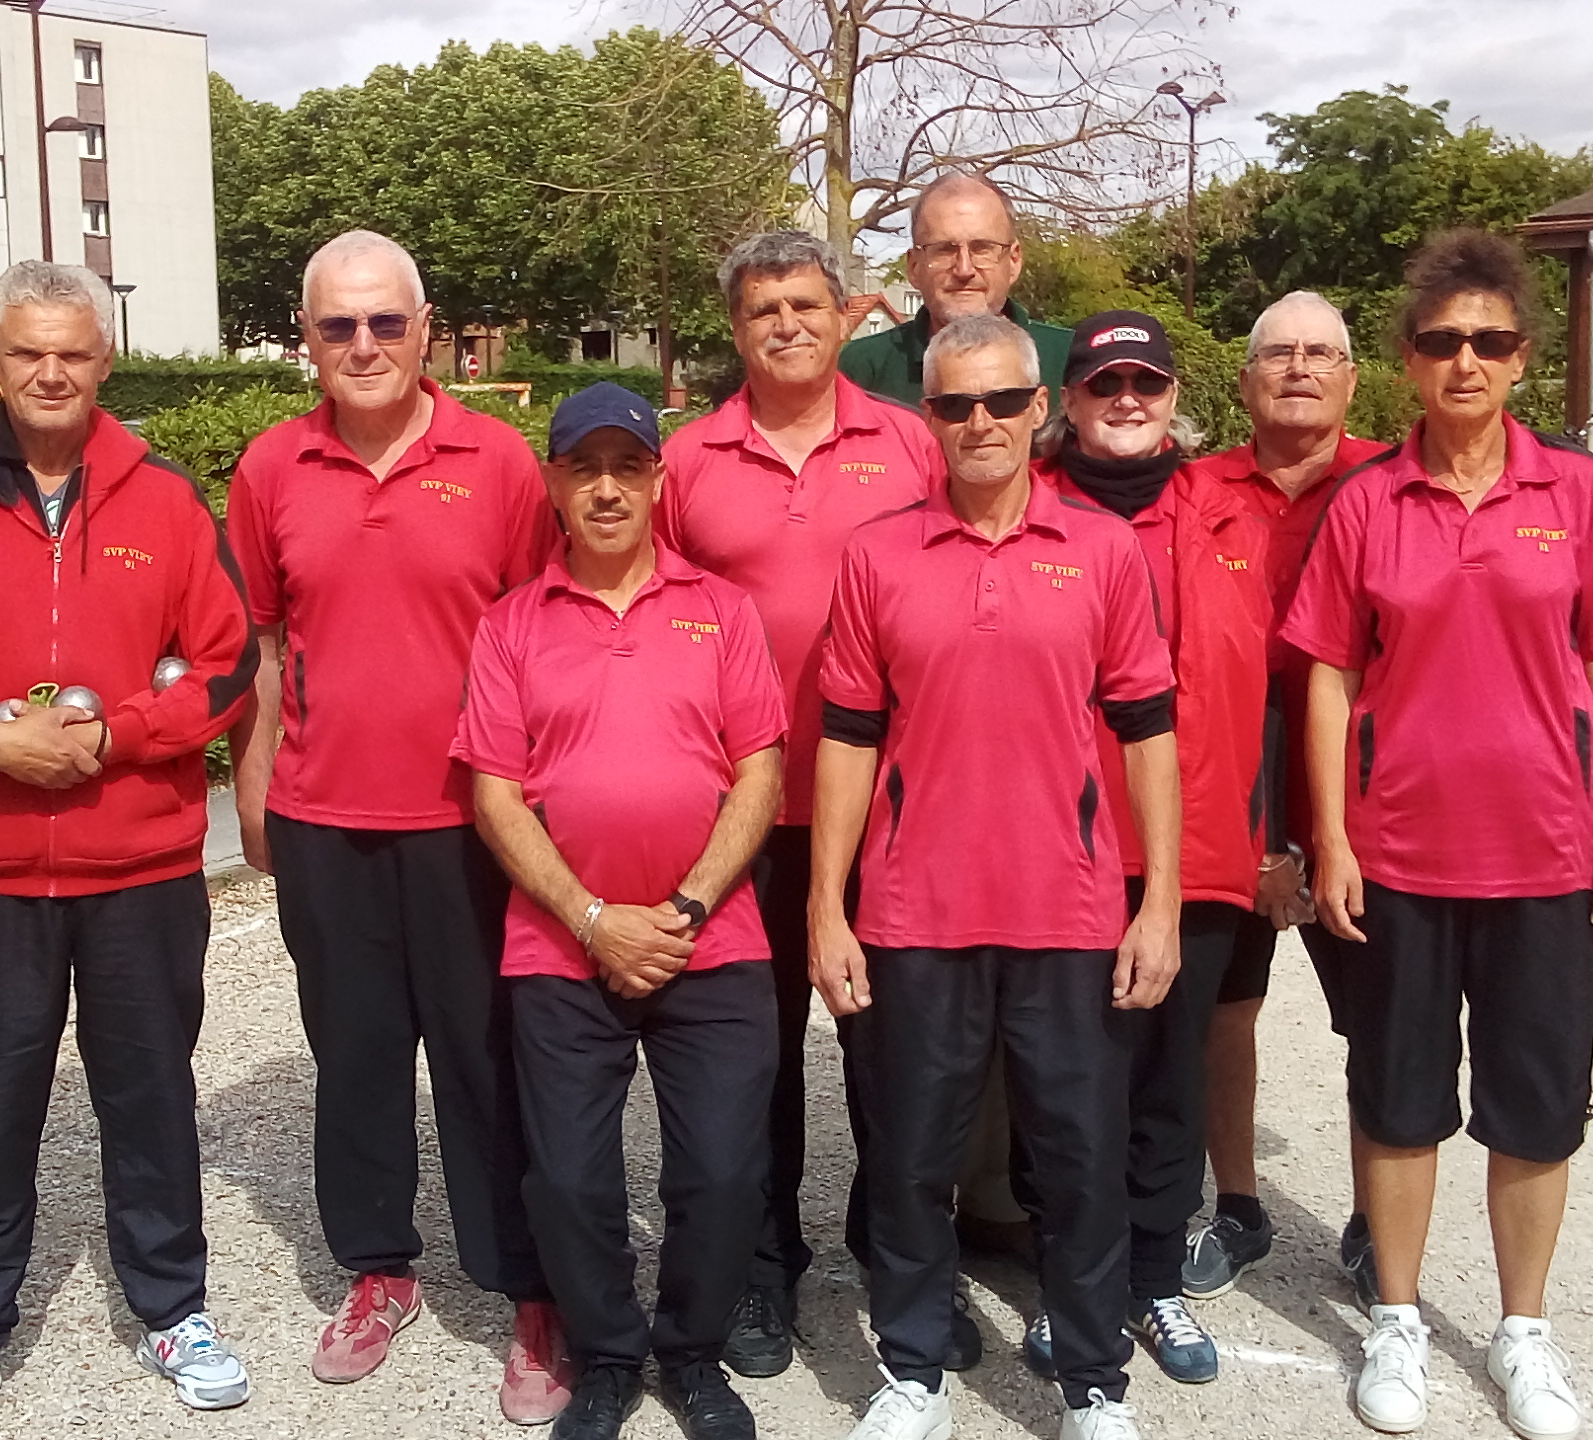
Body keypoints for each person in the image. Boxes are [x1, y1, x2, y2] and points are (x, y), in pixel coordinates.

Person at [0, 259, 259, 1439]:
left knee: (150, 1098)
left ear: (103, 361)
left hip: (137, 867)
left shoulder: (166, 499)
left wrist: (115, 734)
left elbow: (220, 664)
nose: (49, 371)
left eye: (71, 352)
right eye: (27, 350)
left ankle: (173, 1309)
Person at [1283, 229, 1593, 1440]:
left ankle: (1521, 1333)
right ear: (1407, 359)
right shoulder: (1364, 503)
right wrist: (1332, 840)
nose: (1465, 360)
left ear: (1518, 361)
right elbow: (1329, 681)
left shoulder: (1576, 493)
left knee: (1536, 1102)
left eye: (1489, 342)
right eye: (1443, 340)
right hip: (1398, 856)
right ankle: (1394, 1319)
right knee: (1397, 1099)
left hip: (1550, 856)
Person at [224, 231, 570, 1423]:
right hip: (325, 820)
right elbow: (263, 645)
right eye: (337, 327)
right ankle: (379, 1269)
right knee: (356, 1058)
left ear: (426, 332)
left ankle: (527, 1288)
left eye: (384, 324)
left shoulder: (503, 461)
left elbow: (544, 632)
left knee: (489, 1060)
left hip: (473, 820)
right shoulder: (270, 468)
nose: (362, 346)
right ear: (306, 341)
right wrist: (253, 782)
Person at [816, 313, 1181, 1440]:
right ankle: (914, 1367)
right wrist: (826, 907)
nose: (978, 423)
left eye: (999, 402)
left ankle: (1091, 1384)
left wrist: (1156, 898)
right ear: (926, 419)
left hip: (1065, 910)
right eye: (951, 404)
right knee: (912, 1157)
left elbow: (1147, 733)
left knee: (1075, 1160)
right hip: (914, 911)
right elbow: (844, 737)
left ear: (1039, 410)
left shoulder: (1102, 552)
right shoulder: (875, 555)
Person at [461, 384, 790, 1440]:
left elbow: (760, 772)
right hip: (561, 944)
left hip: (715, 937)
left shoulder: (724, 611)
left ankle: (690, 1352)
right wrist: (595, 916)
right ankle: (605, 1355)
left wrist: (682, 909)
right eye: (583, 468)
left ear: (658, 479)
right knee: (566, 1175)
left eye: (628, 466)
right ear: (553, 482)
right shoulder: (511, 625)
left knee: (727, 1168)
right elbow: (495, 795)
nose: (606, 489)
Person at [656, 230, 947, 1379]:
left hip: (887, 807)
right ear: (736, 329)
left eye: (807, 305)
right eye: (763, 308)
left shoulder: (913, 445)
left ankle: (898, 1258)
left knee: (895, 1052)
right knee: (754, 1063)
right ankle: (762, 1271)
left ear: (844, 318)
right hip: (741, 813)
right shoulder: (687, 461)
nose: (786, 324)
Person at [1015, 308, 1241, 1389]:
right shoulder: (1026, 510)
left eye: (1145, 383)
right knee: (1067, 1086)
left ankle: (1151, 1272)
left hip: (1191, 845)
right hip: (1061, 849)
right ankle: (1073, 1285)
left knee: (1166, 1083)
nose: (1126, 400)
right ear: (1067, 398)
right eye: (1104, 383)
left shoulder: (1225, 507)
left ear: (1171, 395)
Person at [1177, 293, 1397, 1307]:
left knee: (1378, 1017)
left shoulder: (1394, 483)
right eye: (1278, 354)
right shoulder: (1194, 489)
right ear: (1244, 378)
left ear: (1352, 378)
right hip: (1232, 775)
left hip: (1364, 782)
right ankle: (1236, 1204)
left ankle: (1374, 1214)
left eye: (1321, 354)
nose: (1299, 369)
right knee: (1228, 1009)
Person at [839, 171, 1073, 408]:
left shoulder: (1071, 362)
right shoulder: (861, 371)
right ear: (914, 266)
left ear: (1013, 261)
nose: (964, 269)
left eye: (982, 248)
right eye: (944, 250)